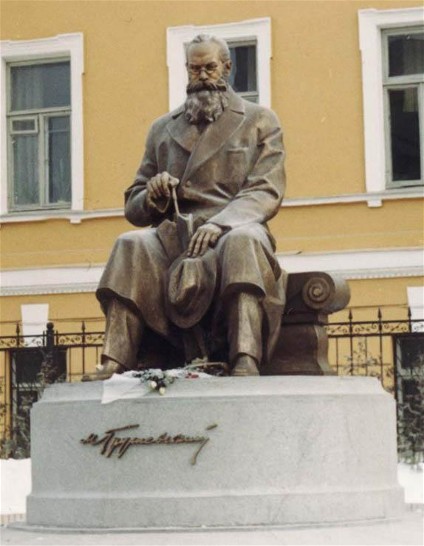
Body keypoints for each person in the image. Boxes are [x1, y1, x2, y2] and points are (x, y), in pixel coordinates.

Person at [95, 34, 286, 379]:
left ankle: (245, 357)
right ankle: (115, 361)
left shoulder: (259, 120)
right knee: (130, 244)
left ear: (226, 68)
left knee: (243, 242)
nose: (202, 76)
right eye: (194, 68)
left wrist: (222, 224)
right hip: (177, 237)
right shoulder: (163, 129)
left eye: (210, 67)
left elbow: (266, 189)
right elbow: (134, 204)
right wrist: (151, 195)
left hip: (234, 230)